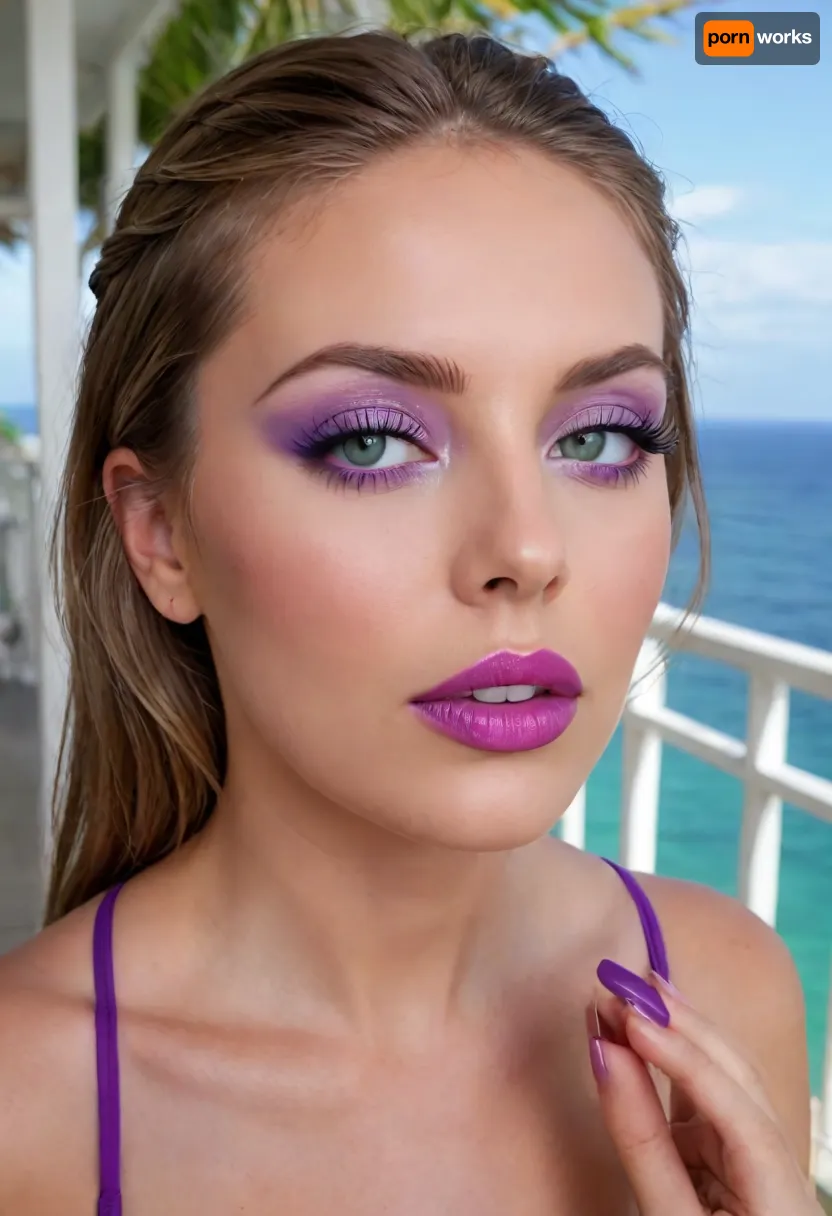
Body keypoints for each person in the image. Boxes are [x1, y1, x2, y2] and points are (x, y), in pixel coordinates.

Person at [0, 30, 821, 1216]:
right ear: (160, 531)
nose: (525, 551)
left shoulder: (724, 990)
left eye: (597, 438)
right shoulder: (28, 1107)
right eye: (373, 441)